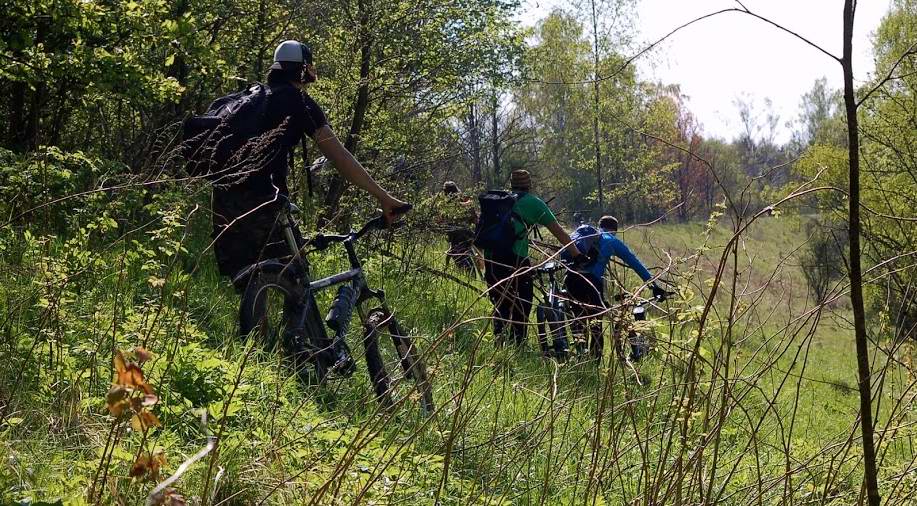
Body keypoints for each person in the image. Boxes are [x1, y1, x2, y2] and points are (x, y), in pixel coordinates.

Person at [208, 40, 409, 371]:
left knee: (254, 283)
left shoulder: (252, 98)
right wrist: (384, 197)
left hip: (225, 201)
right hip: (264, 203)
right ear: (303, 69)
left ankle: (256, 369)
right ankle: (305, 363)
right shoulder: (298, 102)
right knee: (295, 277)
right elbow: (340, 156)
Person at [483, 169, 585, 345]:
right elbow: (559, 233)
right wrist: (577, 255)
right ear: (529, 185)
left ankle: (499, 343)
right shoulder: (533, 203)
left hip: (491, 259)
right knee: (522, 304)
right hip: (515, 260)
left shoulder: (499, 201)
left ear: (512, 184)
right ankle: (518, 346)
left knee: (500, 304)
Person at [565, 215, 666, 357]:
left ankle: (580, 354)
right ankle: (594, 361)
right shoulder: (611, 240)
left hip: (570, 279)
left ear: (600, 226)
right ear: (615, 230)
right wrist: (653, 285)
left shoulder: (582, 236)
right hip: (591, 283)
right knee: (596, 324)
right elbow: (634, 262)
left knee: (577, 319)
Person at [441, 181, 477, 272]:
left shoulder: (445, 207)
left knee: (468, 269)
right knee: (468, 270)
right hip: (461, 241)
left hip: (462, 240)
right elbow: (476, 220)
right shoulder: (464, 204)